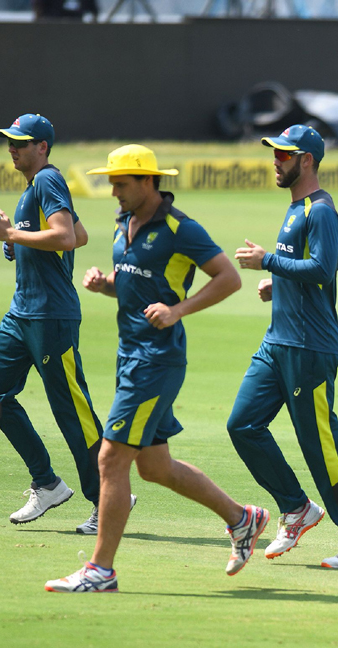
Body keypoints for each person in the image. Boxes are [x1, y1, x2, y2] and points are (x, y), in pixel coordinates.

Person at [45, 145, 268, 593]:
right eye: (111, 183)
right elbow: (136, 286)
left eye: (121, 183)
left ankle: (100, 571)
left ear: (148, 182)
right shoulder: (122, 223)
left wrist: (177, 310)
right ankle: (243, 519)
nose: (113, 192)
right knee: (154, 467)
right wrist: (106, 286)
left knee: (110, 460)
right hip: (131, 358)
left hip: (156, 362)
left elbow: (229, 277)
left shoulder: (179, 229)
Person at [231, 126, 338, 570]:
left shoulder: (320, 210)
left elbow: (322, 268)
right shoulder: (295, 207)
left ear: (308, 161)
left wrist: (268, 262)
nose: (275, 160)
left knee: (318, 444)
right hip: (278, 341)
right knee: (242, 425)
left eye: (284, 154)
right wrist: (276, 285)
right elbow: (303, 272)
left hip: (309, 347)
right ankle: (296, 508)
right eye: (274, 153)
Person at [0, 113, 108, 535]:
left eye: (21, 141)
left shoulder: (47, 181)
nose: (12, 148)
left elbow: (67, 238)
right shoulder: (36, 187)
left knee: (73, 412)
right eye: (9, 141)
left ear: (43, 147)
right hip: (24, 313)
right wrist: (21, 245)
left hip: (50, 314)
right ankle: (48, 483)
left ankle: (107, 499)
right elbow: (81, 233)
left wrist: (12, 237)